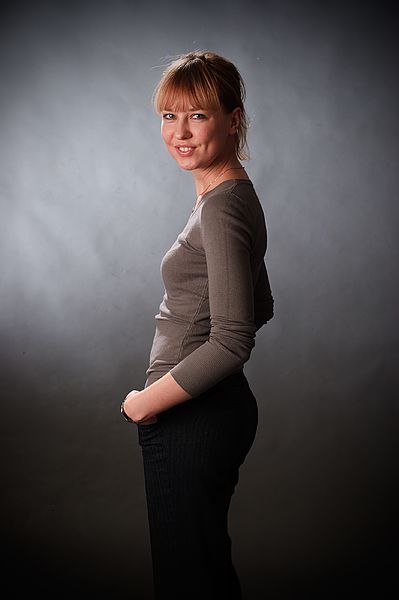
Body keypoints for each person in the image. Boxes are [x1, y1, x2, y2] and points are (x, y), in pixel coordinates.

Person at [120, 50, 274, 599]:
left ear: (233, 119)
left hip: (191, 416)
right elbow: (262, 304)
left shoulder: (222, 206)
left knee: (189, 580)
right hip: (206, 409)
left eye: (198, 115)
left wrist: (147, 403)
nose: (180, 132)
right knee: (201, 573)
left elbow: (234, 338)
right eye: (169, 116)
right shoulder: (228, 194)